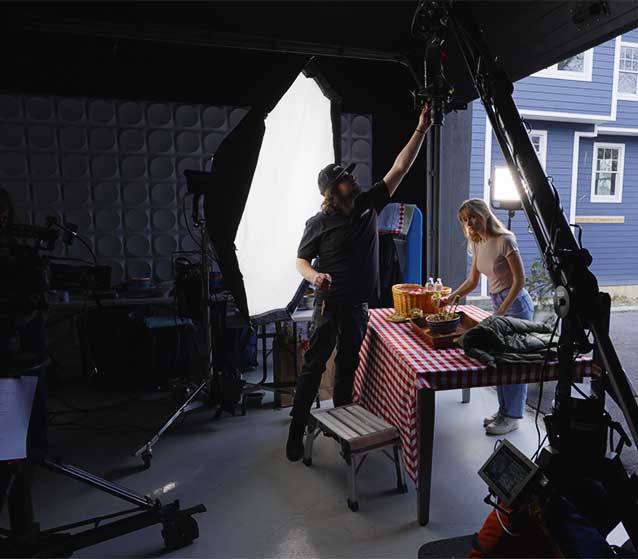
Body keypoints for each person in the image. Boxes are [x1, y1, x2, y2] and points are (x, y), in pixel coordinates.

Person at [286, 106, 431, 461]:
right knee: (314, 366)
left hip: (358, 306)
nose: (355, 180)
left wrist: (421, 129)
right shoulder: (317, 223)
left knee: (348, 369)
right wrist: (314, 276)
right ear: (333, 191)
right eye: (347, 179)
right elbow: (301, 261)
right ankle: (296, 428)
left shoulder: (368, 204)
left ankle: (345, 432)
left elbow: (400, 168)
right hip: (329, 303)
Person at [445, 198, 534, 436]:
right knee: (500, 359)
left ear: (484, 214)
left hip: (516, 305)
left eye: (472, 216)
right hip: (500, 303)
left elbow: (520, 281)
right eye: (465, 220)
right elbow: (473, 281)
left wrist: (503, 310)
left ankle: (513, 417)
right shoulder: (477, 243)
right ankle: (504, 410)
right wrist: (450, 298)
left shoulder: (505, 240)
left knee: (513, 361)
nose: (469, 223)